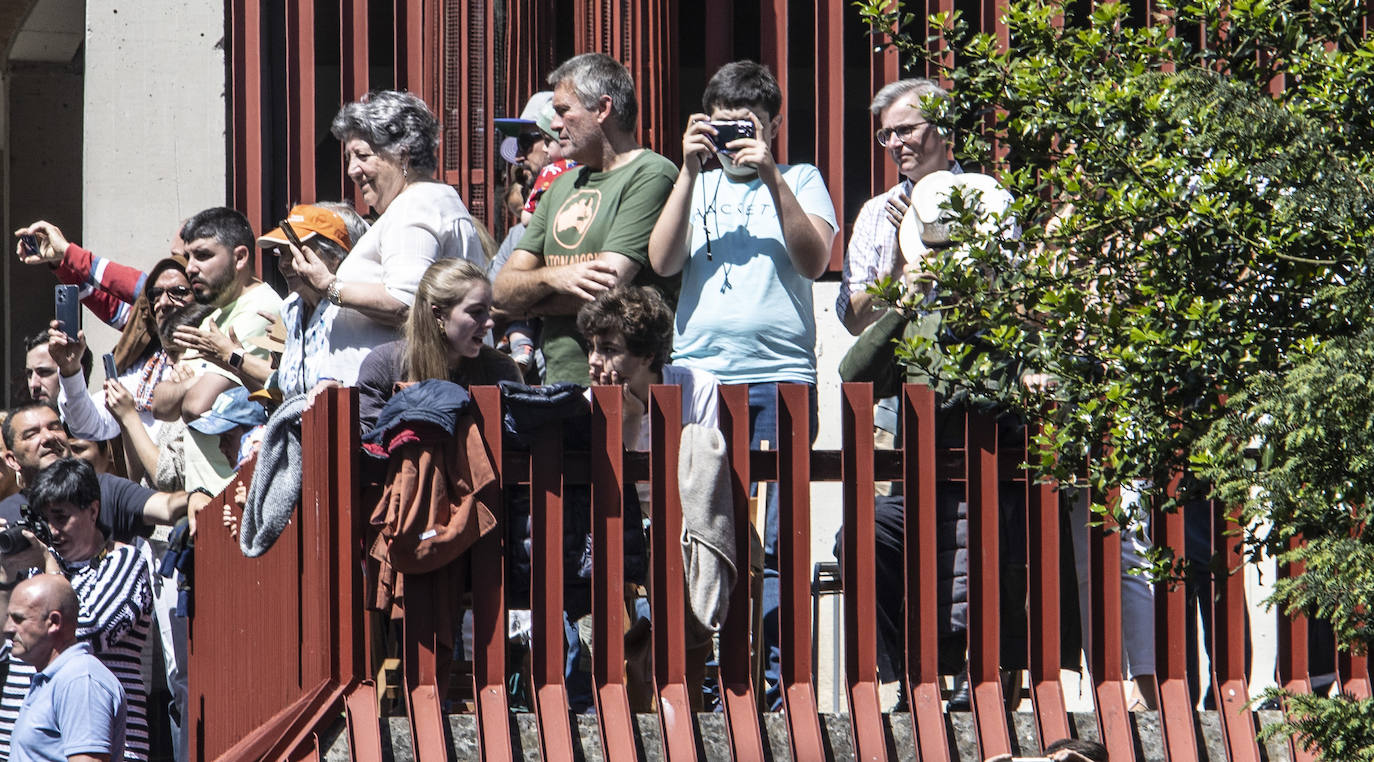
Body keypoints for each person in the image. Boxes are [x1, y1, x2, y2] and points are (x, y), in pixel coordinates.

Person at [646, 61, 836, 707]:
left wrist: (772, 174)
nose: (733, 140)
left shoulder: (803, 178)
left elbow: (816, 260)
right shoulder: (693, 181)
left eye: (745, 127)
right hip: (701, 373)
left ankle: (781, 689)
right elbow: (662, 260)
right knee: (702, 527)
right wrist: (689, 169)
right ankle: (703, 681)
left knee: (782, 540)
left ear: (773, 125)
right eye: (721, 126)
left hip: (781, 375)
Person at [492, 52, 679, 385]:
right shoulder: (562, 183)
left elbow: (606, 289)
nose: (554, 125)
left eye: (564, 111)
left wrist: (532, 303)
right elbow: (502, 292)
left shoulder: (652, 174)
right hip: (559, 384)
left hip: (624, 391)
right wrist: (557, 277)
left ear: (603, 109)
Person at [0, 458, 151, 761]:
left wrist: (47, 565)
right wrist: (6, 578)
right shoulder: (34, 566)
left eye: (61, 517)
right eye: (45, 520)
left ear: (93, 511)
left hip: (101, 746)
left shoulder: (124, 561)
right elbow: (5, 643)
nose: (52, 531)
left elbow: (88, 630)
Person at [324, 90, 486, 365]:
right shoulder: (426, 201)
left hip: (400, 396)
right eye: (349, 158)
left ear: (403, 155)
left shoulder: (415, 205)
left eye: (363, 155)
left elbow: (405, 302)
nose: (352, 170)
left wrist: (329, 287)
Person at [148, 208, 282, 497]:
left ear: (240, 257)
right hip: (203, 498)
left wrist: (184, 383)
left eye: (203, 255)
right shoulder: (214, 317)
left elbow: (193, 407)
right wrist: (197, 382)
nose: (191, 268)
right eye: (189, 258)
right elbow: (159, 404)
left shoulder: (259, 311)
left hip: (237, 498)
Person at [355, 259, 521, 432]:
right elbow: (364, 439)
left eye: (489, 311)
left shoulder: (501, 369)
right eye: (476, 312)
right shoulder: (384, 364)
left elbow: (520, 443)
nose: (489, 323)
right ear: (438, 314)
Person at [0, 403, 187, 540]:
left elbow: (168, 506)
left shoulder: (106, 489)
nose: (48, 437)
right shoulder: (5, 514)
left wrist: (193, 499)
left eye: (54, 427)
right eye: (32, 434)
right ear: (12, 460)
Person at [3, 575, 127, 762]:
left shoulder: (80, 680)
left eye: (18, 619)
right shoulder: (55, 679)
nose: (8, 628)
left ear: (53, 622)